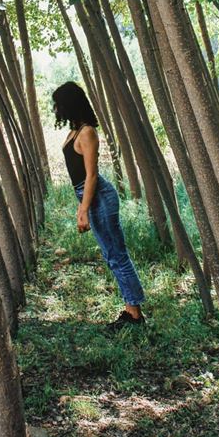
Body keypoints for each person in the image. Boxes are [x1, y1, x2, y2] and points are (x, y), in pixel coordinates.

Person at [52, 81, 145, 330]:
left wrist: (83, 209)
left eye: (58, 105)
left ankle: (134, 315)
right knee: (111, 254)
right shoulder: (75, 131)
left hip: (98, 197)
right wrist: (81, 204)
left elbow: (91, 175)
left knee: (117, 255)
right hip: (87, 195)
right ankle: (131, 310)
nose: (56, 110)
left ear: (69, 104)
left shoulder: (87, 133)